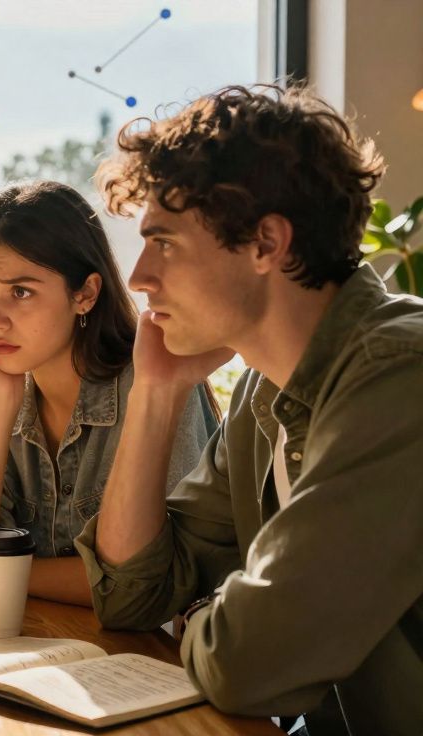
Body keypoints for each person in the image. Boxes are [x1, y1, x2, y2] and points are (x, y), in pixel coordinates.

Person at [77, 84, 421, 734]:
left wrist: (200, 618)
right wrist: (156, 393)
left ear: (266, 243)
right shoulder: (263, 397)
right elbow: (131, 595)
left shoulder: (400, 376)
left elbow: (247, 663)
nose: (139, 277)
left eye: (164, 243)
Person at [0, 180, 217, 606]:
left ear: (85, 294)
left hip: (149, 647)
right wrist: (3, 403)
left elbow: (154, 585)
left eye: (20, 292)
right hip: (32, 640)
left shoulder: (157, 382)